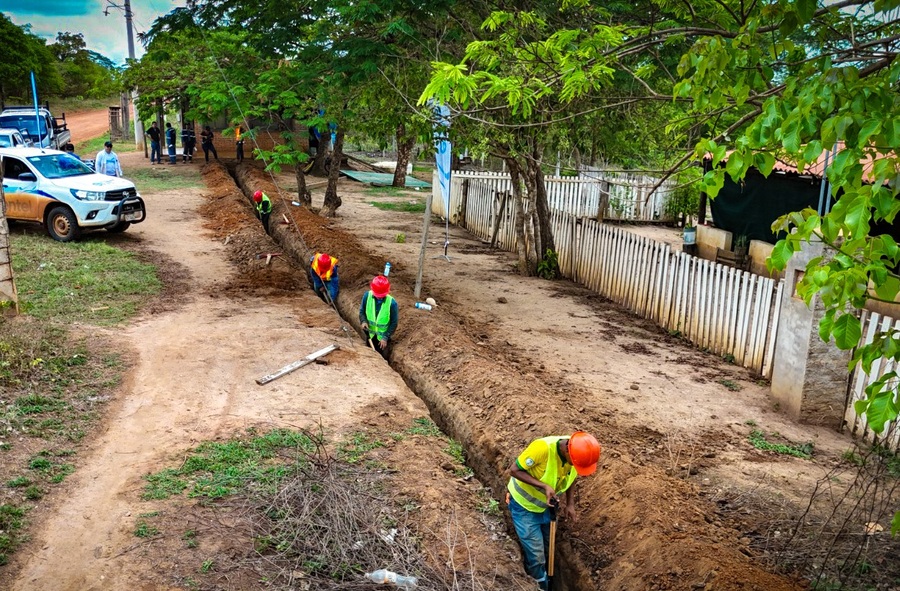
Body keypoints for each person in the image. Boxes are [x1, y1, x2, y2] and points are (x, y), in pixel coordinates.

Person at [506, 431, 601, 591]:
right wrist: (543, 486)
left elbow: (571, 477)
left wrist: (570, 504)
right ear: (566, 451)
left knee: (547, 549)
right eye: (575, 464)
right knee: (536, 557)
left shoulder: (575, 454)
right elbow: (514, 470)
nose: (575, 467)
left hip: (548, 508)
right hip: (524, 508)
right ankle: (539, 586)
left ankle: (547, 578)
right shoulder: (542, 448)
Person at [359, 275, 398, 360]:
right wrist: (363, 321)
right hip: (370, 335)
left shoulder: (392, 303)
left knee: (381, 359)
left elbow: (394, 323)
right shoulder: (367, 296)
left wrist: (385, 337)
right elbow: (362, 311)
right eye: (378, 295)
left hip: (382, 339)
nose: (379, 297)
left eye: (381, 296)